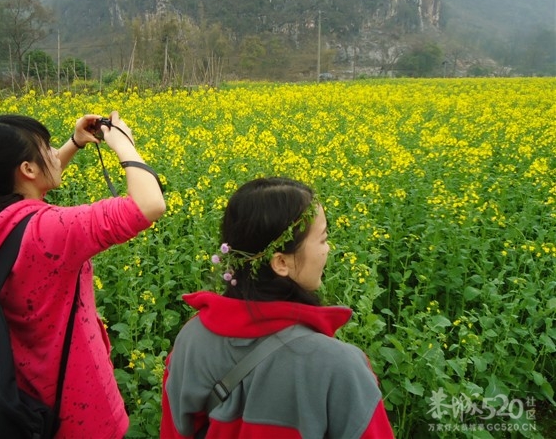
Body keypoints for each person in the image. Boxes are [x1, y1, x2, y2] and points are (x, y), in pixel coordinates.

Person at [0, 111, 166, 438]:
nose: (52, 154)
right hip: (74, 402)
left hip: (19, 386)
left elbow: (26, 195)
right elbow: (150, 204)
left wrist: (73, 144)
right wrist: (123, 143)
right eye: (45, 148)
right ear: (27, 169)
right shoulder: (49, 232)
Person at [160, 177, 393, 439]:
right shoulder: (341, 369)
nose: (328, 249)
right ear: (281, 262)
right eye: (323, 239)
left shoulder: (191, 341)